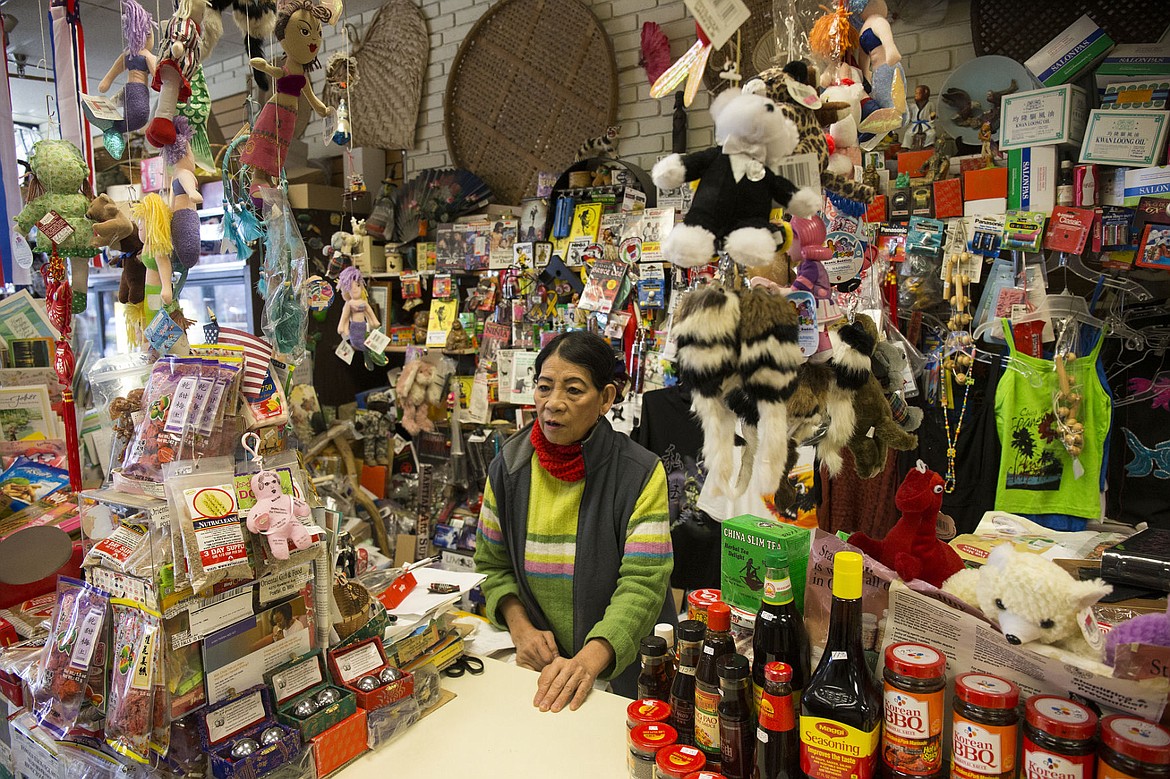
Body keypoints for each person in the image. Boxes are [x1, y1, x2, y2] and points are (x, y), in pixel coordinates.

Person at [475, 331, 675, 712]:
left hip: (624, 671)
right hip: (540, 670)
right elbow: (492, 566)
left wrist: (590, 659)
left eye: (573, 390)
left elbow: (644, 582)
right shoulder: (510, 466)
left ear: (606, 399)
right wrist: (522, 630)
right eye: (544, 387)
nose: (553, 404)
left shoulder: (639, 473)